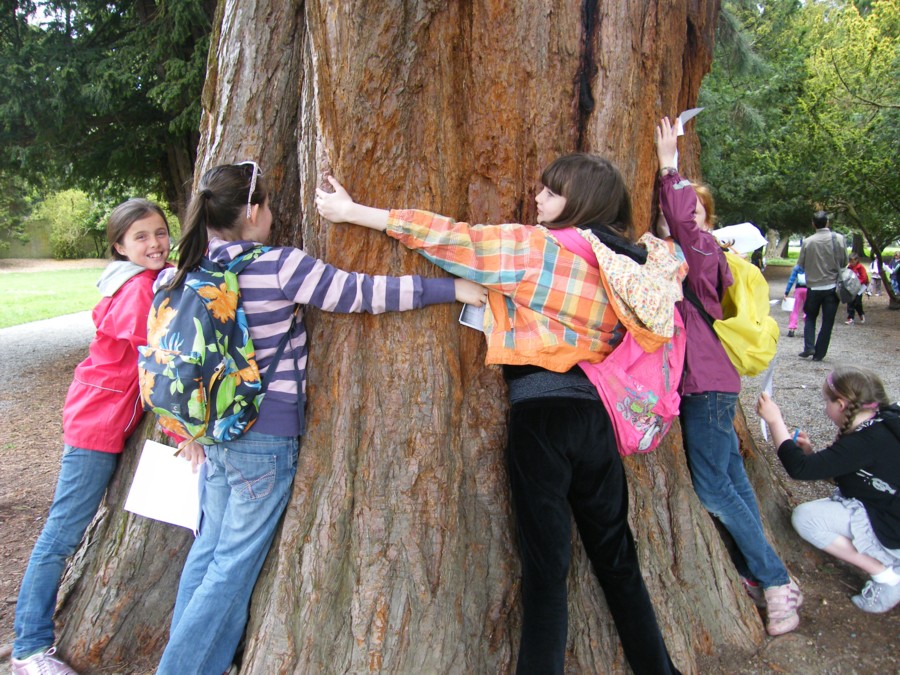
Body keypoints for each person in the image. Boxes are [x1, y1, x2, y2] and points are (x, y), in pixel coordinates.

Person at [316, 155, 684, 674]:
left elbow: (453, 240)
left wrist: (356, 212)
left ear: (577, 203)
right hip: (599, 420)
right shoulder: (626, 263)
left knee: (546, 572)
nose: (538, 199)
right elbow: (678, 259)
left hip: (543, 422)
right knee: (618, 560)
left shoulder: (538, 249)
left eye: (551, 193)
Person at [154, 162, 485, 675]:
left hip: (213, 430)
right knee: (230, 567)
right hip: (264, 435)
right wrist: (451, 290)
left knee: (210, 550)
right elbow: (363, 294)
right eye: (267, 206)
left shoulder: (186, 269)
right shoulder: (278, 266)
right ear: (253, 212)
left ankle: (194, 661)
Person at [654, 117, 802, 636]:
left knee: (714, 489)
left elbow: (685, 223)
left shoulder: (704, 252)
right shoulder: (680, 256)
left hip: (707, 387)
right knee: (732, 481)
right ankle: (759, 571)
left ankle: (775, 579)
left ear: (704, 220)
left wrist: (670, 167)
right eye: (680, 205)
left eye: (696, 209)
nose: (685, 213)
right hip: (706, 384)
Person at [11, 200, 172, 675]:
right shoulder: (138, 289)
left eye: (160, 232)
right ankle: (29, 649)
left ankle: (30, 643)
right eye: (140, 237)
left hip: (99, 416)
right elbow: (161, 358)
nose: (154, 243)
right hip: (96, 426)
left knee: (64, 531)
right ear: (120, 246)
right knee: (61, 534)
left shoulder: (136, 280)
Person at [756, 366, 900, 614]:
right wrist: (814, 457)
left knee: (807, 519)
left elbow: (799, 469)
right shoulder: (882, 423)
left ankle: (886, 575)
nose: (824, 408)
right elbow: (857, 473)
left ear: (842, 405)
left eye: (826, 402)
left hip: (892, 529)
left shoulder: (864, 442)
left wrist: (775, 421)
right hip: (891, 513)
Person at [796, 211, 846, 361]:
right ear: (827, 223)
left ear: (813, 224)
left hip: (813, 286)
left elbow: (801, 264)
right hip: (832, 287)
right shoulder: (839, 239)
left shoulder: (808, 242)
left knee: (810, 316)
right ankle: (819, 354)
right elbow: (844, 262)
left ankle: (809, 346)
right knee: (827, 321)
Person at [784, 264, 807, 338]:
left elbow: (791, 280)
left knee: (795, 309)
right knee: (807, 310)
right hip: (808, 290)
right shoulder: (812, 266)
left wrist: (786, 292)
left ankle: (791, 329)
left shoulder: (797, 267)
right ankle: (807, 328)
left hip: (798, 290)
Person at [845, 253, 868, 325]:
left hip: (860, 287)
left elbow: (864, 278)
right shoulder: (849, 268)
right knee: (850, 302)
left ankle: (861, 313)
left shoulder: (860, 267)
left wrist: (857, 283)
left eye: (853, 261)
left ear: (857, 260)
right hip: (852, 287)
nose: (852, 263)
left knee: (857, 302)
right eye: (850, 261)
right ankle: (850, 318)